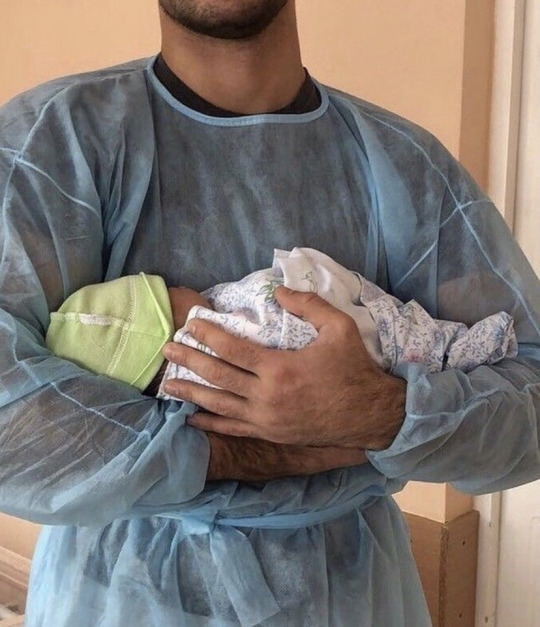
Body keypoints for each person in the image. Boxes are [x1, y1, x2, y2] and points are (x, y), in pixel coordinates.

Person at [0, 1, 538, 625]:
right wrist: (242, 451)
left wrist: (381, 411)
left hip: (353, 601)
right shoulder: (52, 148)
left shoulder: (406, 169)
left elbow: (529, 388)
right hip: (116, 600)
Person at [45, 247, 518, 400]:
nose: (181, 284)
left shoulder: (179, 398)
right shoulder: (209, 334)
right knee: (408, 340)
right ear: (168, 331)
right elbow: (274, 322)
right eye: (168, 292)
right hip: (352, 341)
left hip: (348, 330)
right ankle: (464, 347)